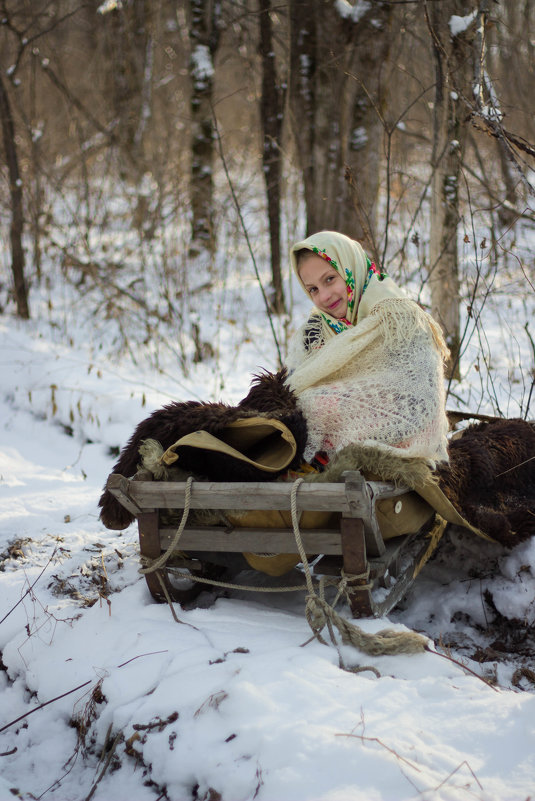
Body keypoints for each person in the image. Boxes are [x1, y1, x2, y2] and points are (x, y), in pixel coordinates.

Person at [284, 230, 450, 467]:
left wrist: (326, 404)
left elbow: (420, 401)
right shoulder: (313, 332)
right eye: (313, 289)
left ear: (349, 269)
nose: (324, 296)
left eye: (330, 279)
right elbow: (290, 391)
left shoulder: (400, 319)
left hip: (397, 447)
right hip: (321, 459)